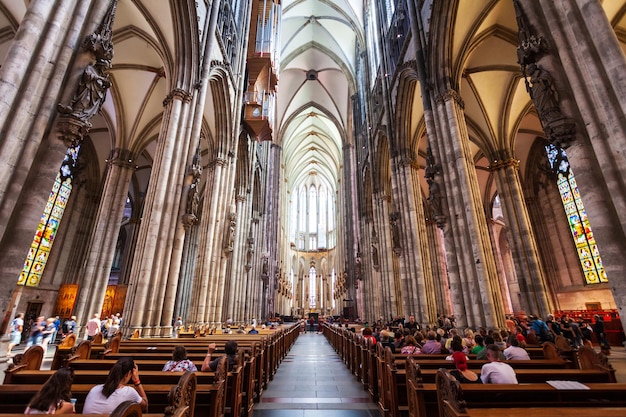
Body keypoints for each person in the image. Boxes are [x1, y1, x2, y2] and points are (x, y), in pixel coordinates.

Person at [82, 357, 147, 414]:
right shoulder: (128, 392)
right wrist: (137, 382)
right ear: (129, 373)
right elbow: (145, 405)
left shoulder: (95, 389)